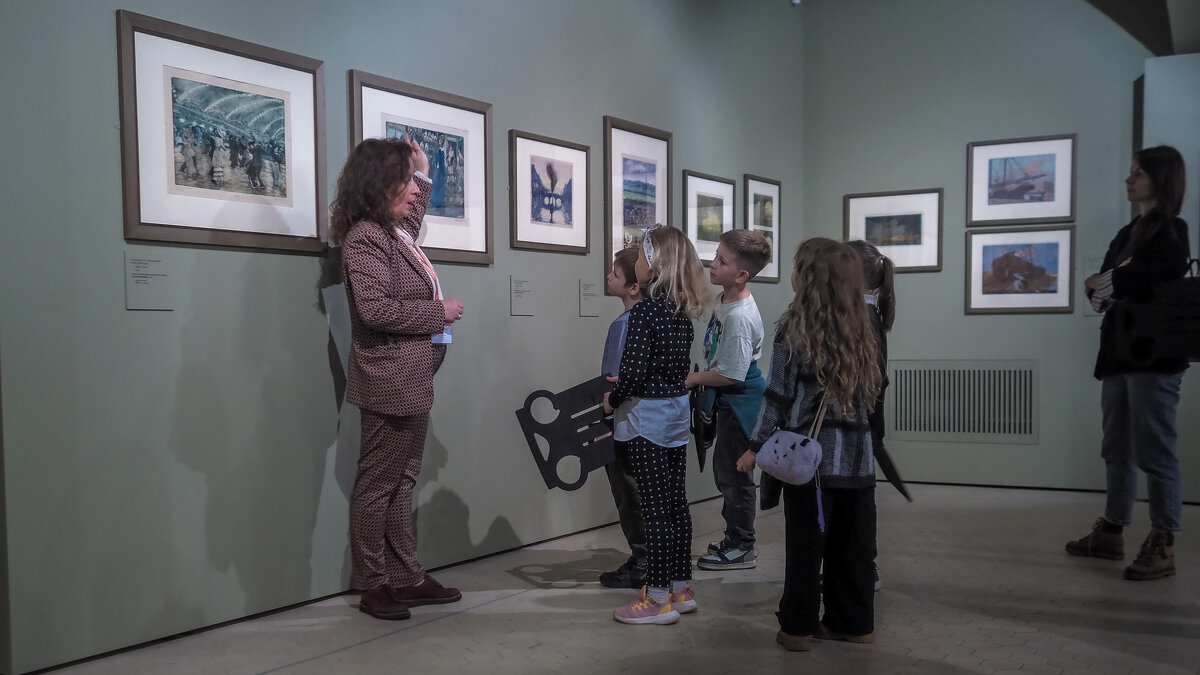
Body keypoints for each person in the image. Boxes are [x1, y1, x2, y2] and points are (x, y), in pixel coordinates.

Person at [331, 136, 467, 620]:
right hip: (389, 381)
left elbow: (413, 214)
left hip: (411, 379)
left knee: (402, 481)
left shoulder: (392, 232)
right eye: (405, 180)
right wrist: (438, 313)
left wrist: (424, 164)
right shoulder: (366, 237)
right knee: (376, 486)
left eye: (414, 180)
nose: (414, 189)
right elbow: (374, 309)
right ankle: (374, 584)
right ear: (380, 183)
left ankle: (406, 576)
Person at [742, 237, 882, 651]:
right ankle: (855, 624)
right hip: (859, 462)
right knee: (853, 547)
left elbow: (778, 398)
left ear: (806, 277)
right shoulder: (864, 325)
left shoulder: (793, 328)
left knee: (807, 547)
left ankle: (797, 628)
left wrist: (755, 446)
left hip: (812, 463)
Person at [1066, 145, 1191, 581]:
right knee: (1116, 447)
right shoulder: (1126, 233)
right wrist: (1111, 282)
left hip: (1154, 355)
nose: (1128, 179)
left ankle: (1164, 540)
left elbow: (1118, 281)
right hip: (1119, 352)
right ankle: (1112, 529)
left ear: (1160, 179)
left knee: (1156, 451)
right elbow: (1102, 293)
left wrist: (1110, 281)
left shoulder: (1174, 230)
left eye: (1137, 173)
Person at [602, 225, 710, 625]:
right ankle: (682, 588)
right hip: (675, 415)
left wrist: (612, 399)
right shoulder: (681, 312)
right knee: (676, 505)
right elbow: (671, 369)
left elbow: (631, 375)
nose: (638, 260)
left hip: (645, 420)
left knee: (654, 512)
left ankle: (658, 597)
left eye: (642, 255)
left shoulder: (645, 313)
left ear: (656, 265)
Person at [686, 229, 771, 571]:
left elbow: (731, 374)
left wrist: (693, 379)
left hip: (740, 404)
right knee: (725, 473)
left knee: (735, 476)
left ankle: (741, 545)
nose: (712, 263)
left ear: (741, 275)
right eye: (715, 255)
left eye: (721, 260)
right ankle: (736, 537)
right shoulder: (725, 301)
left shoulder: (739, 317)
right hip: (726, 401)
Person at [598, 247, 650, 589]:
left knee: (628, 492)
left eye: (615, 274)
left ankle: (644, 560)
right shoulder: (657, 319)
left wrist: (607, 406)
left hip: (625, 422)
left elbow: (616, 376)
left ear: (633, 287)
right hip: (649, 423)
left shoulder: (625, 325)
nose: (608, 277)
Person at [847, 239, 896, 593]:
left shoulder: (860, 317)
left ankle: (864, 567)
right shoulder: (869, 313)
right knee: (859, 496)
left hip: (857, 421)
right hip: (865, 420)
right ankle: (864, 566)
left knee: (858, 499)